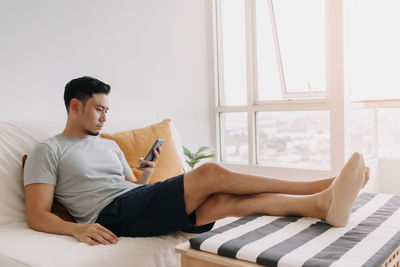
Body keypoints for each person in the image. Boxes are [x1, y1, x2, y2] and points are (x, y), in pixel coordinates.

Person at [24, 76, 370, 246]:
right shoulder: (49, 150)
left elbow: (132, 186)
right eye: (99, 109)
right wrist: (78, 228)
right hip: (110, 215)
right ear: (75, 106)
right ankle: (322, 186)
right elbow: (37, 214)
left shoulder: (108, 145)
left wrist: (144, 172)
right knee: (209, 172)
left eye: (106, 110)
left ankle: (321, 206)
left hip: (134, 200)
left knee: (224, 202)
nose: (104, 117)